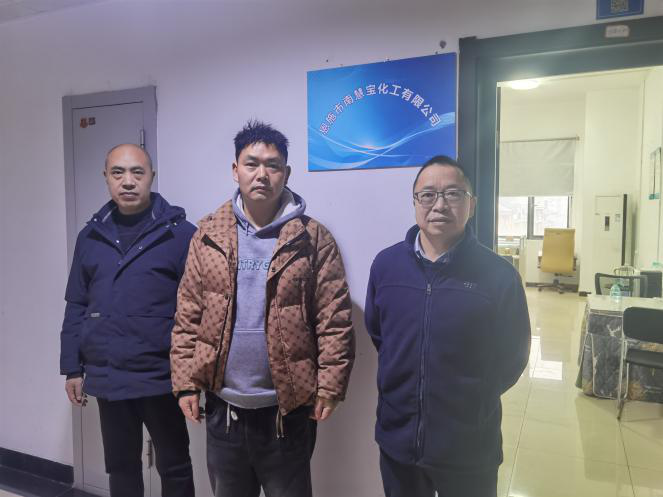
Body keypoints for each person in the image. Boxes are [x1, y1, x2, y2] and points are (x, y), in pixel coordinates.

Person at [171, 120, 355, 497]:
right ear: (235, 169)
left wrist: (330, 386)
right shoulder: (207, 235)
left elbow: (333, 319)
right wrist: (185, 383)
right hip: (224, 410)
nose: (262, 174)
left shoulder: (312, 238)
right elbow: (188, 313)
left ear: (286, 173)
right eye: (251, 163)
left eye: (273, 165)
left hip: (287, 412)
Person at [364, 155, 531, 497]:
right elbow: (379, 334)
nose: (439, 205)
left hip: (469, 444)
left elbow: (513, 355)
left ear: (472, 204)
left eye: (453, 194)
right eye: (428, 195)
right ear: (415, 202)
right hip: (398, 440)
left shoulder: (499, 276)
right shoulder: (386, 266)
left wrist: (474, 398)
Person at [60, 144, 196, 497]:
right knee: (120, 467)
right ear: (106, 178)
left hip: (162, 375)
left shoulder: (181, 234)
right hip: (110, 374)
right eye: (118, 173)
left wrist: (194, 376)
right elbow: (76, 304)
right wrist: (72, 368)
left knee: (175, 465)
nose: (128, 181)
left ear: (152, 176)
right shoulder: (90, 237)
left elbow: (198, 309)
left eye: (138, 172)